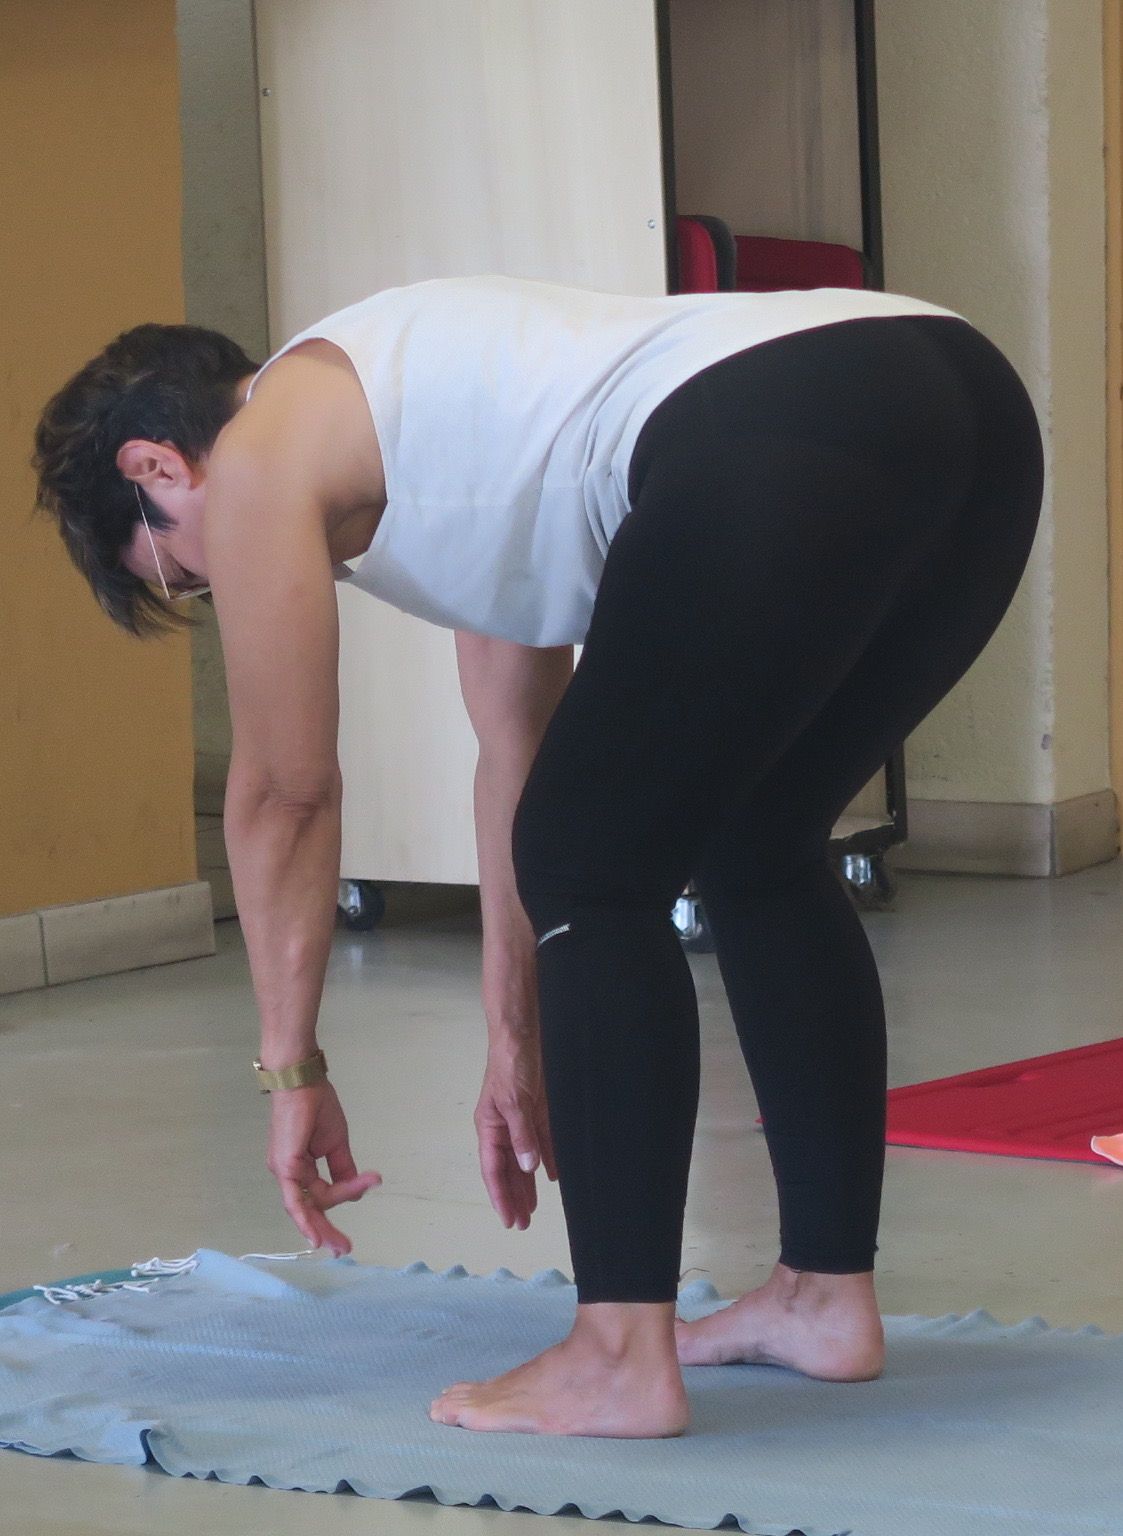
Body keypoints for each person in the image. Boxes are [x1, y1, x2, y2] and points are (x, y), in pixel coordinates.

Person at [32, 275, 1043, 1436]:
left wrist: (290, 1072)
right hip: (959, 400)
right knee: (755, 839)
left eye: (185, 576)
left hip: (793, 409)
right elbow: (521, 761)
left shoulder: (260, 447)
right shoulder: (436, 430)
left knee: (597, 859)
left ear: (157, 468)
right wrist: (516, 1044)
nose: (222, 591)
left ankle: (619, 1355)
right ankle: (823, 1296)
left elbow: (284, 795)